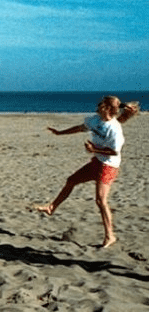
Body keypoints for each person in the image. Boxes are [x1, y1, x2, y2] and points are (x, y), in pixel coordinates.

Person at [35, 96, 139, 248]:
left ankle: (110, 236)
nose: (98, 105)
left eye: (102, 104)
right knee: (71, 180)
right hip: (97, 162)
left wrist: (93, 149)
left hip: (109, 166)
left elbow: (114, 152)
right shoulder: (95, 120)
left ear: (109, 109)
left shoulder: (115, 129)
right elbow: (79, 128)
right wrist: (59, 133)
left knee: (101, 200)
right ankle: (51, 208)